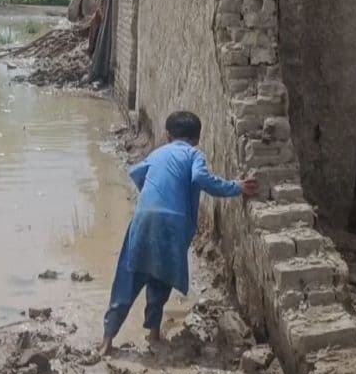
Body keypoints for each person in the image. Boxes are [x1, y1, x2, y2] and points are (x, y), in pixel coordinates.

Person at [100, 111, 258, 355]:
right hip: (174, 223)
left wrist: (153, 196)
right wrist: (236, 187)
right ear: (197, 138)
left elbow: (136, 173)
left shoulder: (157, 153)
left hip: (144, 217)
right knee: (161, 277)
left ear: (167, 134)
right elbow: (200, 177)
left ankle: (107, 341)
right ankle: (153, 334)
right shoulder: (194, 154)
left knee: (129, 276)